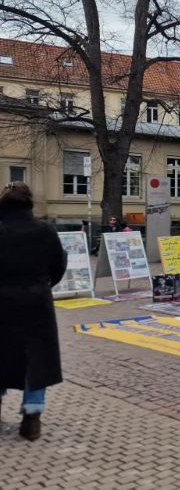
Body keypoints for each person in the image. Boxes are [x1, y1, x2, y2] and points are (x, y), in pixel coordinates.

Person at [0, 183, 68, 441]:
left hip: (2, 303)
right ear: (29, 203)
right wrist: (42, 285)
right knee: (37, 360)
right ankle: (32, 418)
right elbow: (58, 264)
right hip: (37, 303)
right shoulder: (46, 230)